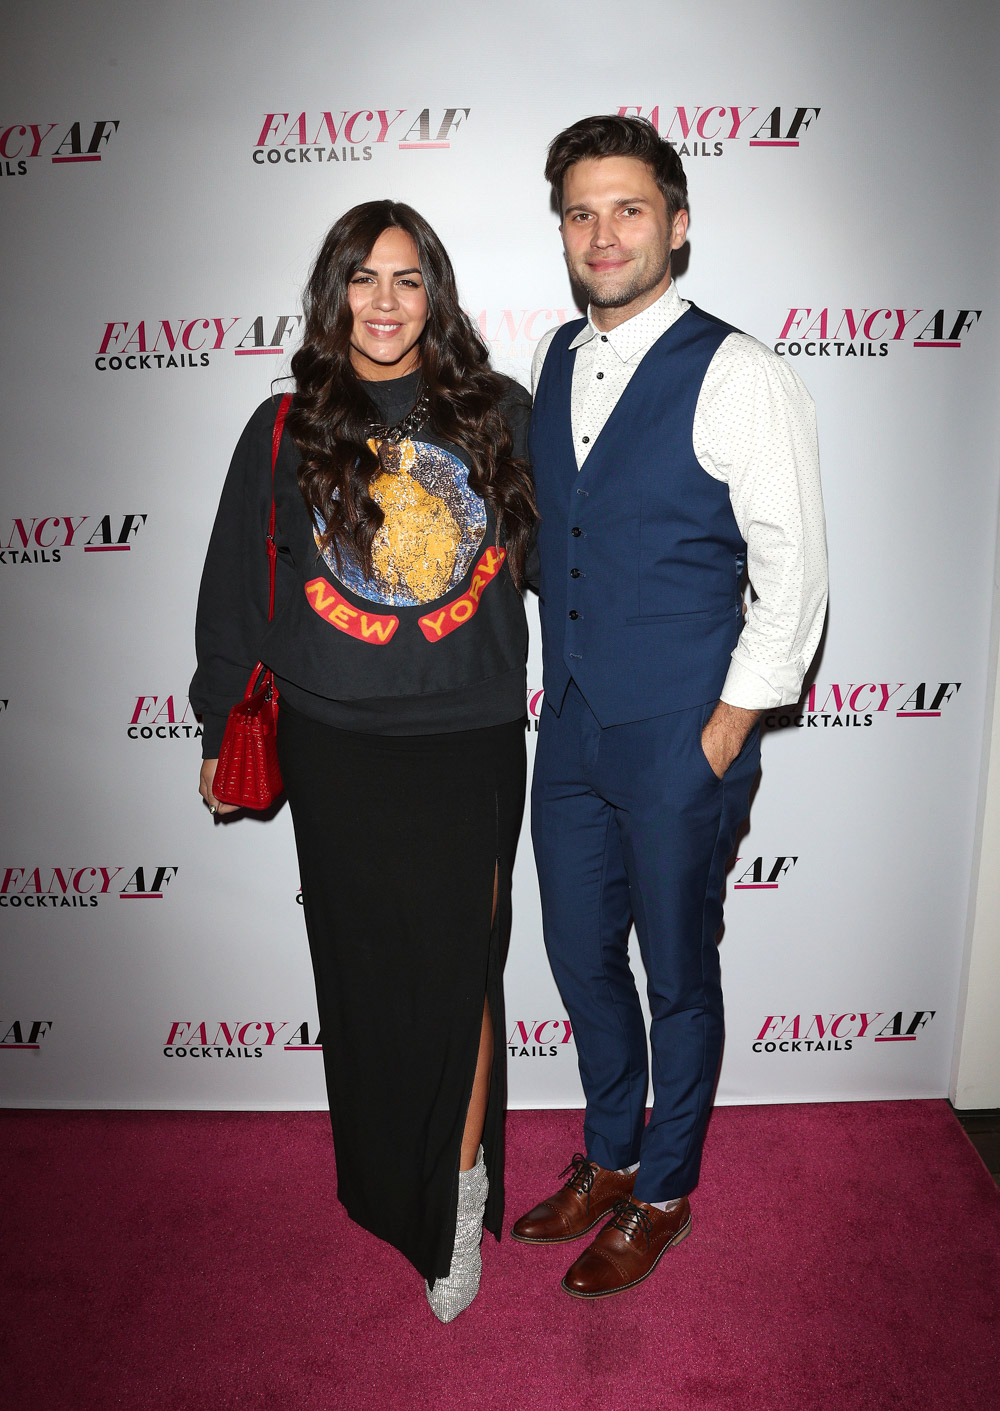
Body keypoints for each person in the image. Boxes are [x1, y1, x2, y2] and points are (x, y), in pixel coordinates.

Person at [190, 200, 535, 1323]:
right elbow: (238, 588)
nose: (384, 303)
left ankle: (462, 1196)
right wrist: (214, 719)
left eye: (407, 280)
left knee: (461, 973)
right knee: (372, 979)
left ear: (434, 294)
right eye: (363, 279)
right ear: (333, 291)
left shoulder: (496, 415)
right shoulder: (285, 425)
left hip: (466, 738)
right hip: (335, 744)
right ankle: (396, 1186)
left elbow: (573, 558)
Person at [512, 115, 828, 1297]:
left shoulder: (741, 371)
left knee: (678, 971)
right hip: (575, 723)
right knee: (577, 952)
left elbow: (793, 571)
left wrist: (724, 731)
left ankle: (662, 1192)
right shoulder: (549, 357)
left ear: (677, 222)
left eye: (628, 208)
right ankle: (606, 1152)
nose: (603, 233)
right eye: (581, 213)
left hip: (680, 732)